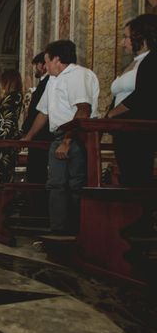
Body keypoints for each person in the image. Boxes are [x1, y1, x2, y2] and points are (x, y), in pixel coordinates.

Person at [22, 39, 99, 235]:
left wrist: (67, 141)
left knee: (75, 184)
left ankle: (79, 232)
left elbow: (83, 110)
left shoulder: (78, 75)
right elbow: (43, 113)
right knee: (55, 184)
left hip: (77, 137)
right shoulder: (53, 80)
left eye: (47, 61)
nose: (45, 66)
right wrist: (28, 137)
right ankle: (57, 232)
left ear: (57, 59)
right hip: (58, 136)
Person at [107, 14, 157, 186]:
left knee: (138, 177)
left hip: (139, 130)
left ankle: (143, 212)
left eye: (126, 37)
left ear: (140, 37)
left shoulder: (152, 59)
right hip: (122, 130)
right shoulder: (133, 62)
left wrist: (113, 114)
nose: (123, 42)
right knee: (127, 176)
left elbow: (144, 95)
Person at [22, 52, 53, 183]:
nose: (34, 69)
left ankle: (37, 201)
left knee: (37, 172)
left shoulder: (48, 82)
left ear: (42, 65)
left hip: (42, 133)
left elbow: (41, 111)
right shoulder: (45, 82)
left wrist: (28, 132)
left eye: (35, 65)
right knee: (35, 170)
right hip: (38, 132)